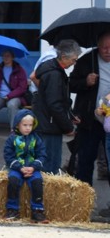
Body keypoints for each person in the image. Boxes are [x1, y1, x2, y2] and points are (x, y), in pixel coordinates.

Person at [30, 39, 81, 174]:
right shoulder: (54, 74)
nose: (74, 63)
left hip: (47, 123)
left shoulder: (53, 70)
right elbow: (55, 104)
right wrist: (68, 127)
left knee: (46, 164)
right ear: (64, 57)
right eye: (74, 59)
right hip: (49, 126)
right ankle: (42, 194)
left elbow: (59, 100)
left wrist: (70, 116)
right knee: (50, 166)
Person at [68, 32, 110, 185]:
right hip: (90, 119)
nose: (108, 51)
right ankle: (84, 203)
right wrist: (86, 82)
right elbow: (71, 84)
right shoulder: (87, 60)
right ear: (98, 46)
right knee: (85, 161)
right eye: (104, 47)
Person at [3, 109, 48, 223]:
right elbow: (8, 156)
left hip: (33, 169)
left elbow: (42, 155)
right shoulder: (12, 139)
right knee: (13, 181)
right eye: (25, 125)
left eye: (30, 125)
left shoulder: (36, 139)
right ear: (18, 124)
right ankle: (12, 210)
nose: (28, 128)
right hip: (17, 168)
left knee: (37, 182)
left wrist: (33, 167)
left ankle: (37, 211)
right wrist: (20, 168)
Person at [0, 49, 29, 131]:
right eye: (4, 55)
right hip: (0, 96)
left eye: (8, 56)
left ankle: (13, 129)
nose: (5, 58)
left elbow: (22, 88)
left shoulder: (19, 70)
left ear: (12, 57)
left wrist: (9, 96)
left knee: (12, 105)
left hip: (14, 96)